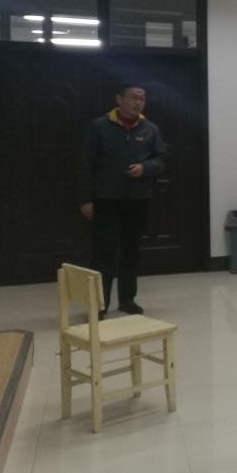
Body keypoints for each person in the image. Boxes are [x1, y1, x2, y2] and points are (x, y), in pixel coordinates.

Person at [77, 83, 166, 317]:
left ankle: (127, 299)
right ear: (119, 99)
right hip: (106, 199)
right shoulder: (99, 126)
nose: (138, 103)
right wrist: (86, 199)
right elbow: (85, 164)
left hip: (138, 199)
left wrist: (145, 168)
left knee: (131, 251)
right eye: (134, 97)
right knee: (103, 252)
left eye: (142, 99)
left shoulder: (150, 129)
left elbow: (161, 160)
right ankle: (99, 304)